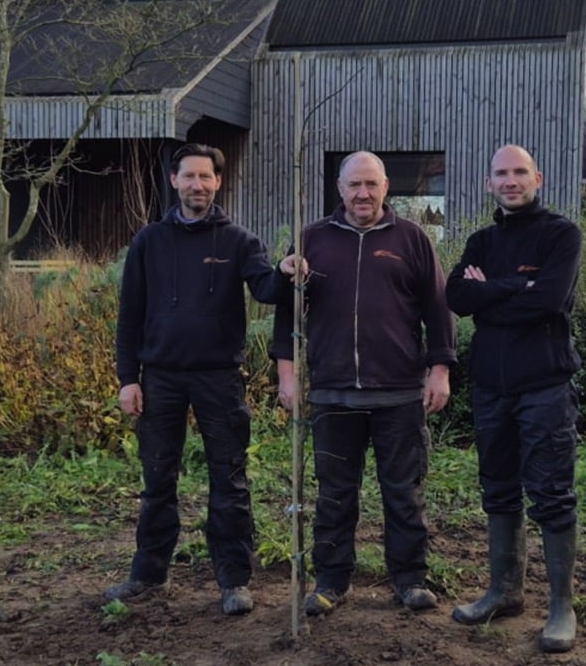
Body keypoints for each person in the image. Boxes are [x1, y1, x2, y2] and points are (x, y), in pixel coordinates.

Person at [273, 151, 456, 615]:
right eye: (354, 184)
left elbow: (438, 310)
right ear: (339, 188)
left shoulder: (412, 240)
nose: (363, 193)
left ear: (386, 187)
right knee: (334, 493)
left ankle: (410, 579)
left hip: (398, 392)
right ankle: (331, 581)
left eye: (371, 184)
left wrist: (440, 369)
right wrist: (289, 375)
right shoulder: (311, 239)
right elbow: (285, 315)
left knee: (403, 492)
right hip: (333, 391)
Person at [109, 143, 283, 616]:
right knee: (157, 479)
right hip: (159, 377)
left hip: (218, 379)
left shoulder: (239, 241)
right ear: (174, 181)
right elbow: (130, 316)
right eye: (189, 176)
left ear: (218, 183)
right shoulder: (148, 241)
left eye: (206, 177)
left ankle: (234, 580)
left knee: (229, 480)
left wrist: (287, 272)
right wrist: (129, 379)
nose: (197, 185)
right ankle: (147, 573)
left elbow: (267, 289)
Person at [445, 144, 584, 652]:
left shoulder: (560, 235)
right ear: (489, 184)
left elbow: (550, 300)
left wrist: (494, 293)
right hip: (491, 387)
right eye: (501, 173)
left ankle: (561, 608)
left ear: (538, 179)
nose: (510, 180)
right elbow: (456, 297)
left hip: (544, 385)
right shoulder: (481, 242)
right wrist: (515, 288)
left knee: (550, 494)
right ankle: (504, 592)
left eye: (519, 172)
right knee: (498, 489)